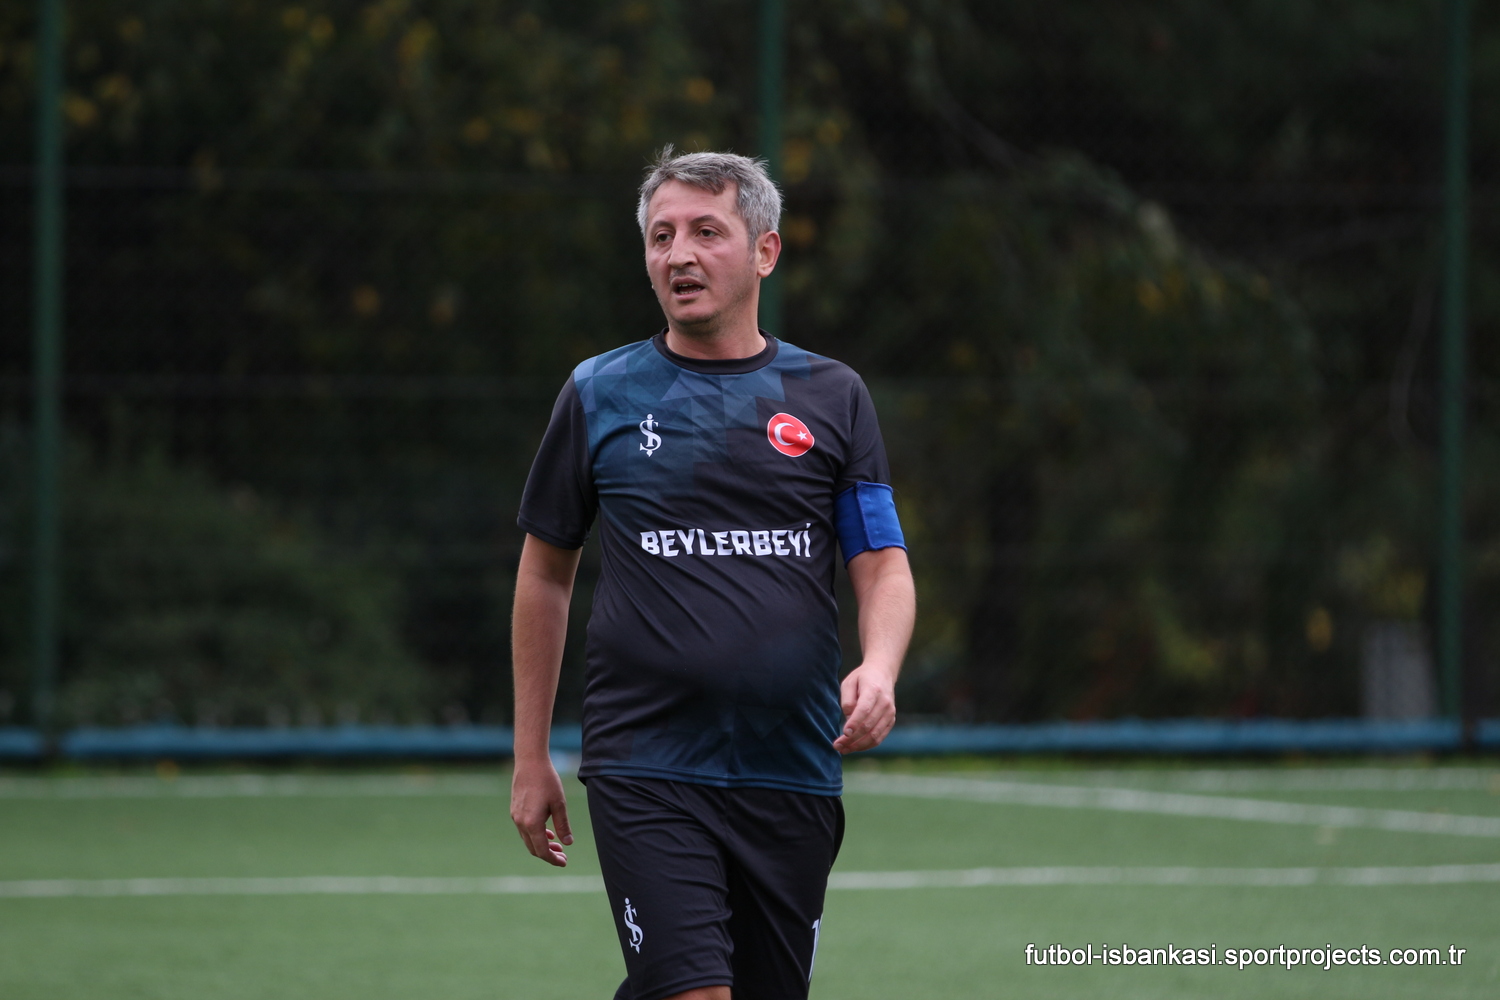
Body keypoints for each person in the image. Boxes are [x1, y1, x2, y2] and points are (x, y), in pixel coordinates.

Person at [510, 147, 916, 1000]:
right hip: (646, 760)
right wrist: (530, 754)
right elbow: (546, 573)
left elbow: (881, 562)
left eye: (705, 232)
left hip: (792, 766)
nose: (679, 255)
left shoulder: (831, 395)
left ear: (765, 251)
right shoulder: (599, 392)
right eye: (661, 236)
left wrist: (879, 668)